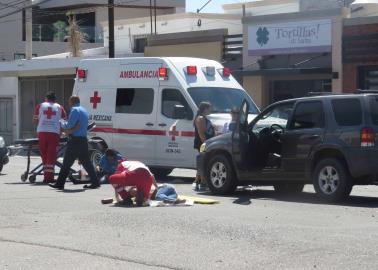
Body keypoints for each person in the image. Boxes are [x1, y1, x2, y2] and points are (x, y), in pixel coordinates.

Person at [49, 96, 99, 190]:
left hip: (75, 141)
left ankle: (59, 184)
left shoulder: (75, 110)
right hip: (83, 140)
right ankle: (95, 182)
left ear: (72, 101)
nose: (69, 103)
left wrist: (61, 122)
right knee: (87, 163)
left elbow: (69, 125)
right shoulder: (84, 110)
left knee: (66, 163)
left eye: (69, 101)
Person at [33, 91, 67, 183]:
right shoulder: (60, 107)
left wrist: (41, 125)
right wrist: (63, 132)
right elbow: (64, 123)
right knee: (51, 156)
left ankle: (46, 176)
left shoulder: (40, 106)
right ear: (55, 99)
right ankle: (49, 178)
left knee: (44, 155)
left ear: (46, 98)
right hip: (54, 134)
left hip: (42, 133)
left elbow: (35, 121)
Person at [193, 102, 215, 191]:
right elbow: (201, 133)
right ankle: (203, 182)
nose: (211, 110)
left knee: (201, 162)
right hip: (202, 143)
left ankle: (197, 181)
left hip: (206, 142)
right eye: (209, 108)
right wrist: (205, 144)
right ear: (205, 109)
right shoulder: (200, 118)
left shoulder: (204, 118)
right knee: (203, 163)